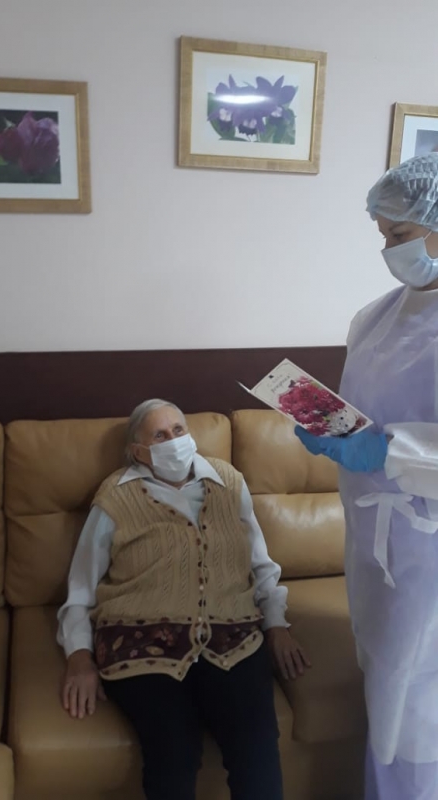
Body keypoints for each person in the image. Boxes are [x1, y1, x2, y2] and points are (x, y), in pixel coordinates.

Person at [57, 398, 310, 800]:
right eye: (159, 435)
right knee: (173, 755)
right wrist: (79, 657)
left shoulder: (228, 482)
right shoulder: (116, 497)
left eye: (178, 430)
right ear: (138, 451)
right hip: (139, 641)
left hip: (233, 636)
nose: (173, 440)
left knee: (257, 749)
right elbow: (81, 586)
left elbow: (260, 564)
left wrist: (276, 625)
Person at [295, 153, 438, 800]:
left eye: (399, 234)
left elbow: (390, 440)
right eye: (382, 235)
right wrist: (332, 429)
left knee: (419, 706)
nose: (387, 250)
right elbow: (364, 415)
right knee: (384, 682)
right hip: (373, 544)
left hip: (428, 548)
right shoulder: (374, 318)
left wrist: (389, 452)